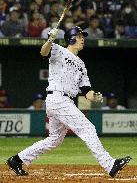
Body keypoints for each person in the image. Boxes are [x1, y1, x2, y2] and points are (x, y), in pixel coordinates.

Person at [7, 26, 131, 177]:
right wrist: (50, 40)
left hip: (64, 101)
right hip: (58, 98)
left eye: (82, 36)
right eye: (79, 36)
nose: (82, 39)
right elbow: (43, 52)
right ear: (71, 38)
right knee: (88, 128)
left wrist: (94, 96)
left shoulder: (81, 64)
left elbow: (86, 91)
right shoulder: (58, 49)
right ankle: (110, 164)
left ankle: (17, 160)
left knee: (54, 140)